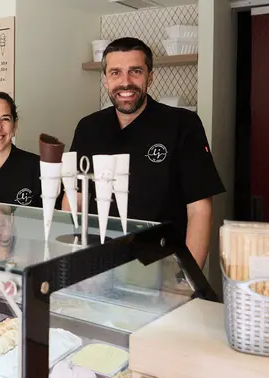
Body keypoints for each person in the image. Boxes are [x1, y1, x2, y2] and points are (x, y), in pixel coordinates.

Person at [69, 37, 225, 268]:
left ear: (150, 77)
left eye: (135, 71)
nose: (125, 82)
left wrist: (187, 279)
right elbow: (75, 199)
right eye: (115, 73)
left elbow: (199, 211)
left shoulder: (182, 124)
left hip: (161, 265)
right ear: (105, 80)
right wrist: (70, 258)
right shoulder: (89, 127)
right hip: (98, 261)